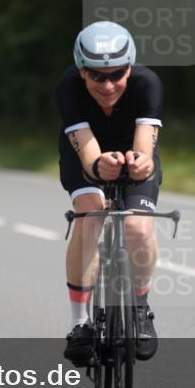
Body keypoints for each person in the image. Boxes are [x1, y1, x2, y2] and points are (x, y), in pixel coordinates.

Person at [57, 21, 163, 365]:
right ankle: (80, 323)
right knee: (92, 213)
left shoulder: (147, 83)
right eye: (97, 76)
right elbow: (88, 155)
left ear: (130, 67)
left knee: (137, 227)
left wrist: (142, 165)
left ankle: (141, 309)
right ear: (81, 71)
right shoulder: (68, 87)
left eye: (117, 74)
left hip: (131, 150)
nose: (108, 85)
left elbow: (145, 147)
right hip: (86, 152)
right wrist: (99, 164)